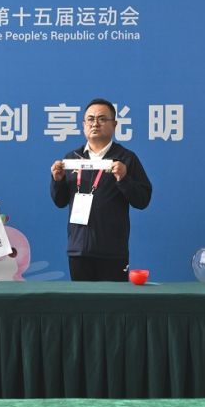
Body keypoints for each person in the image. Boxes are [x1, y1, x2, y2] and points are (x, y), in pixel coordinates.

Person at [50, 98, 152, 281]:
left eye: (102, 119)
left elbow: (142, 200)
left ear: (114, 124)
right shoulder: (72, 158)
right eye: (90, 119)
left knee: (113, 300)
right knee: (82, 299)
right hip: (78, 251)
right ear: (83, 125)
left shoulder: (126, 158)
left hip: (113, 252)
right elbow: (60, 201)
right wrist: (57, 181)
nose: (95, 123)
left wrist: (124, 179)